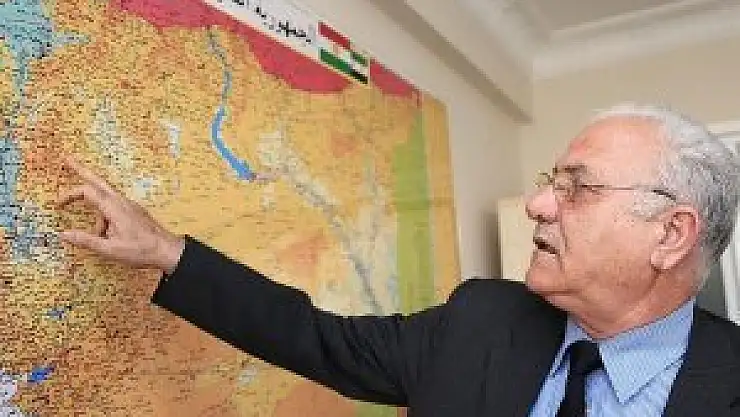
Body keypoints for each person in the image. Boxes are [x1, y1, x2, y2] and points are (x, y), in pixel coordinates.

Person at [56, 103, 740, 417]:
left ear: (670, 235)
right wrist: (166, 251)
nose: (538, 205)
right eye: (549, 181)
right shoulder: (481, 318)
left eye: (577, 188)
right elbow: (316, 338)